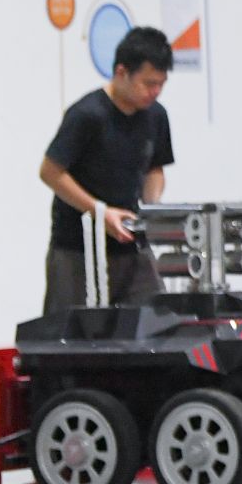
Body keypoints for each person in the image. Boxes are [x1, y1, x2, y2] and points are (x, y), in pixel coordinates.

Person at [39, 26, 175, 313]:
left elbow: (154, 168)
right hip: (77, 249)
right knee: (70, 332)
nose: (155, 92)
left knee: (153, 320)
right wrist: (100, 212)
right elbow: (50, 172)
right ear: (121, 72)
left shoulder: (156, 116)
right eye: (148, 83)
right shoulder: (87, 114)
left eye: (161, 84)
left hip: (131, 244)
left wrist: (153, 209)